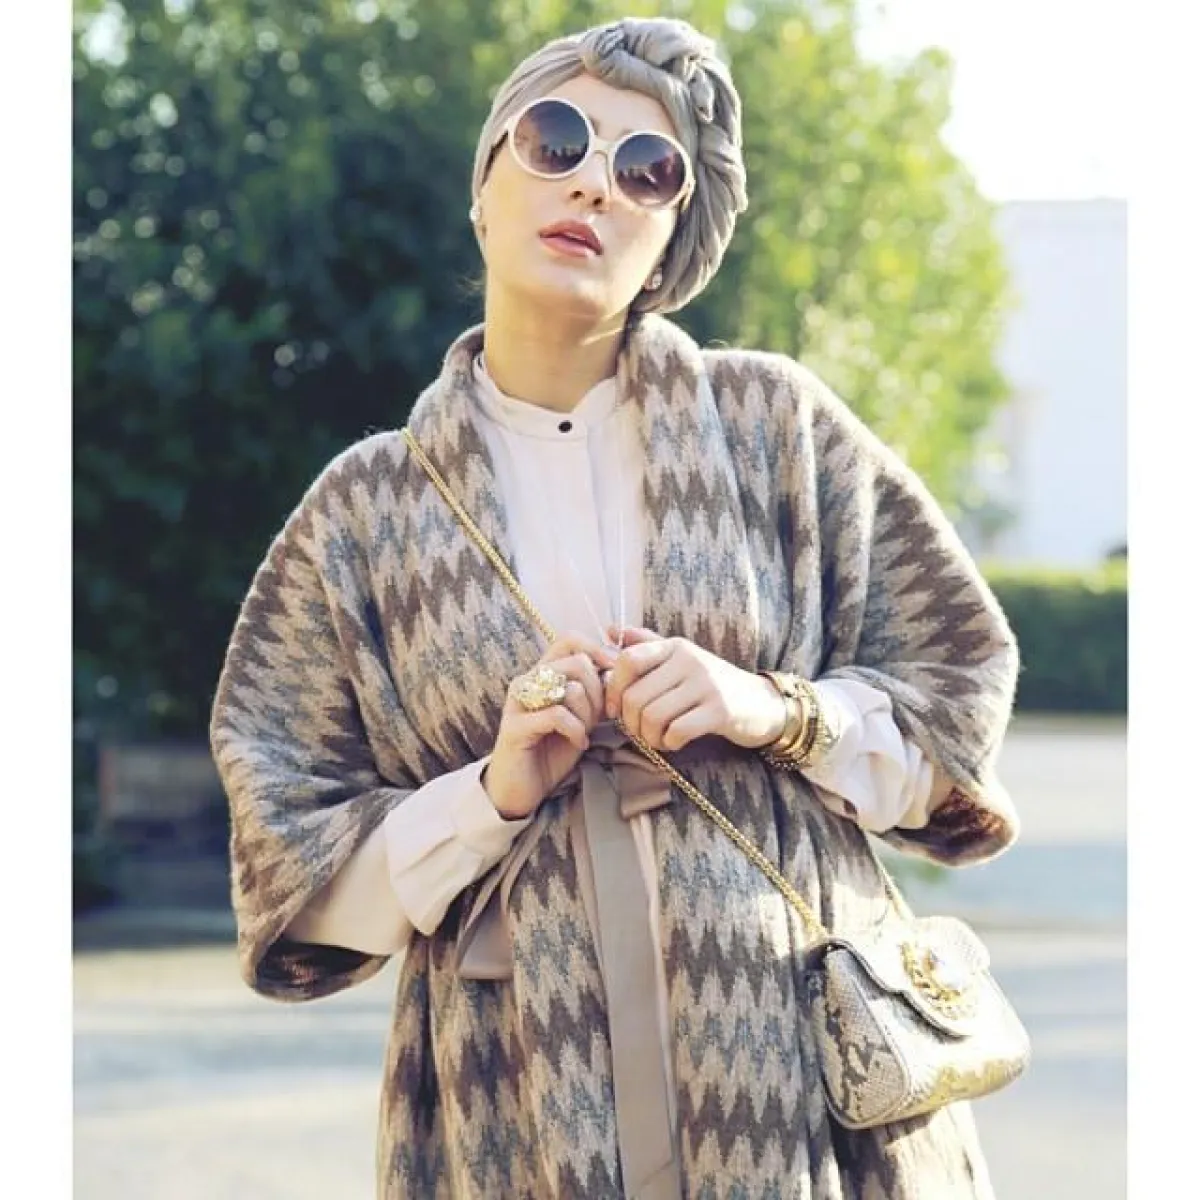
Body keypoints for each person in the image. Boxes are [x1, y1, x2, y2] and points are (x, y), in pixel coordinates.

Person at [210, 16, 1021, 1199]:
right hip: (509, 1096)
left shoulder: (778, 427)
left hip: (804, 1093)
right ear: (483, 191)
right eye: (556, 140)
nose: (594, 181)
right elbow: (291, 858)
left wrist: (774, 709)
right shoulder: (363, 508)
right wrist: (489, 795)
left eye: (649, 171)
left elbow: (955, 710)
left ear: (671, 243)